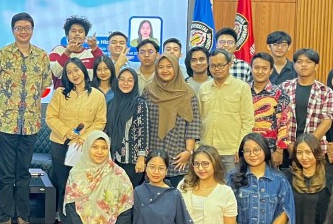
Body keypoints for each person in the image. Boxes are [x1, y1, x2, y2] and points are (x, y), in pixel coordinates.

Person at [0, 12, 51, 224]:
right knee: (5, 175)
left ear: (32, 30)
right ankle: (4, 220)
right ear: (13, 31)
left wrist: (30, 103)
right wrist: (5, 102)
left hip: (30, 125)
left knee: (23, 174)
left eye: (27, 27)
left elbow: (46, 84)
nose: (23, 31)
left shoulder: (42, 56)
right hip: (5, 124)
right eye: (18, 28)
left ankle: (23, 221)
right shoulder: (2, 54)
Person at [46, 57, 108, 224]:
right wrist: (67, 132)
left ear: (83, 71)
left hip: (85, 147)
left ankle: (84, 223)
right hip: (61, 144)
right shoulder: (59, 93)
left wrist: (84, 137)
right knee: (65, 183)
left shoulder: (97, 95)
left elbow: (101, 121)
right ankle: (66, 223)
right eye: (70, 72)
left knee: (84, 185)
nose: (74, 74)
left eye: (77, 70)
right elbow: (51, 117)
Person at [143, 55, 200, 188]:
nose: (165, 70)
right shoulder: (148, 91)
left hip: (178, 155)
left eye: (169, 67)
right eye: (161, 67)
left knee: (177, 198)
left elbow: (193, 124)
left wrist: (188, 151)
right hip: (152, 152)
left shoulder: (187, 93)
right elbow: (141, 122)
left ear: (176, 68)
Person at [198, 49, 254, 171]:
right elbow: (200, 118)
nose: (216, 69)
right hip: (207, 149)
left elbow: (248, 121)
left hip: (231, 151)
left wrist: (241, 148)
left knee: (231, 187)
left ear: (229, 64)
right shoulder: (204, 88)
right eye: (212, 66)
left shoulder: (242, 87)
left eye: (220, 65)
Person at [279, 48, 333, 154]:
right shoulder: (284, 87)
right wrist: (286, 143)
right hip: (287, 147)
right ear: (294, 65)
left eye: (308, 62)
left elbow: (326, 122)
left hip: (313, 147)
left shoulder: (325, 91)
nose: (303, 65)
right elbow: (278, 118)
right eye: (299, 62)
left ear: (316, 66)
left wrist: (306, 144)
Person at [105, 68, 152, 188]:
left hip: (132, 160)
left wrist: (142, 158)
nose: (125, 83)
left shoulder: (140, 103)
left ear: (135, 83)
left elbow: (144, 132)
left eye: (130, 80)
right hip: (113, 158)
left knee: (129, 196)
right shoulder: (111, 103)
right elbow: (107, 131)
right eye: (122, 79)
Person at [250, 52, 290, 168]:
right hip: (246, 148)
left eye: (264, 68)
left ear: (271, 70)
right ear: (251, 69)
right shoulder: (242, 90)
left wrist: (280, 150)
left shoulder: (279, 93)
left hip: (270, 149)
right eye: (256, 68)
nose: (260, 71)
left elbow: (284, 123)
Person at [49, 15, 103, 88]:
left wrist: (95, 48)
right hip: (62, 97)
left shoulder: (91, 53)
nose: (77, 34)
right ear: (67, 35)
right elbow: (54, 73)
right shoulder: (58, 50)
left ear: (85, 36)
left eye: (81, 31)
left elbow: (104, 69)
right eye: (73, 31)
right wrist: (67, 52)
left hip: (87, 97)